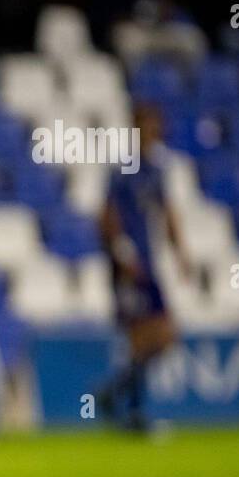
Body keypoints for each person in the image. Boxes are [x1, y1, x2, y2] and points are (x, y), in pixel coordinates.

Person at [96, 105, 190, 431]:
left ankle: (113, 394)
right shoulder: (123, 170)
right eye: (148, 126)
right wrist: (123, 254)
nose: (154, 132)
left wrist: (181, 255)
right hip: (127, 266)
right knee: (142, 337)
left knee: (164, 336)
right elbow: (106, 217)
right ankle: (133, 412)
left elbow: (168, 214)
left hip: (149, 263)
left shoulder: (156, 170)